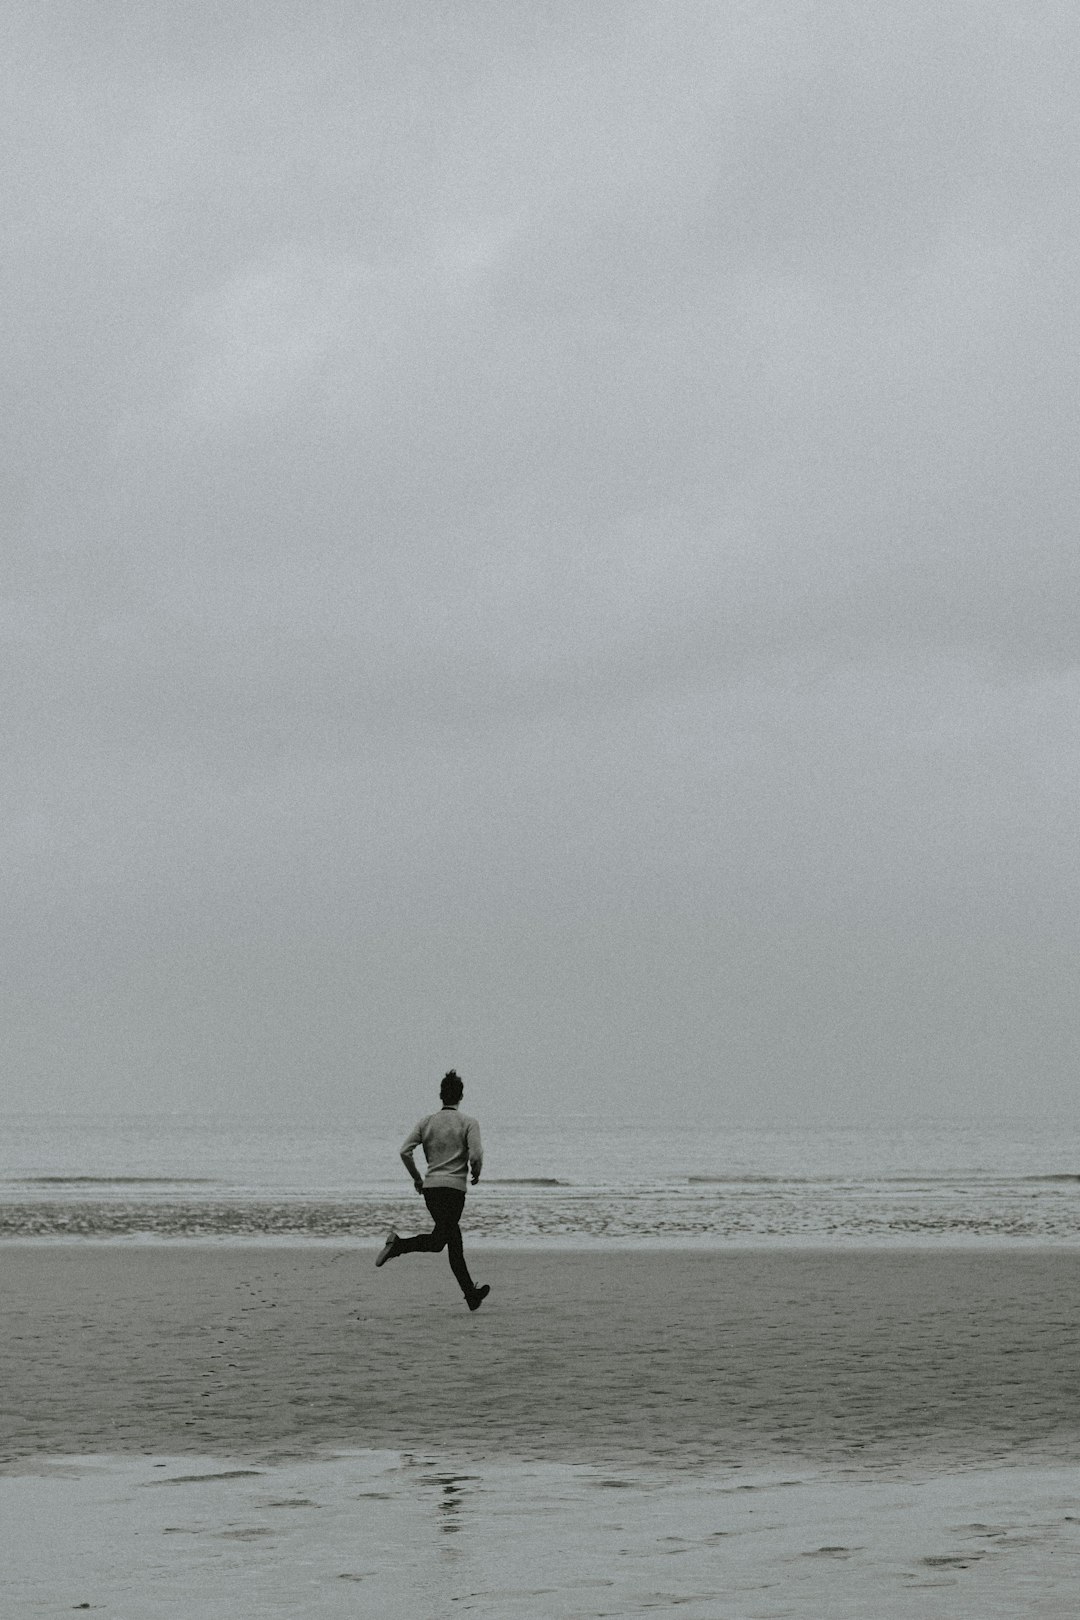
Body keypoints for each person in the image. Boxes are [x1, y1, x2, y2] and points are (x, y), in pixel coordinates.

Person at [375, 1070, 490, 1311]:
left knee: (449, 1240)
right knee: (442, 1241)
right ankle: (397, 1245)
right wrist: (476, 1171)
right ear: (460, 1096)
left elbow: (404, 1151)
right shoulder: (468, 1122)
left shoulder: (426, 1122)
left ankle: (471, 1295)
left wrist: (417, 1179)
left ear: (441, 1095)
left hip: (431, 1190)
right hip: (454, 1191)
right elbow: (477, 1154)